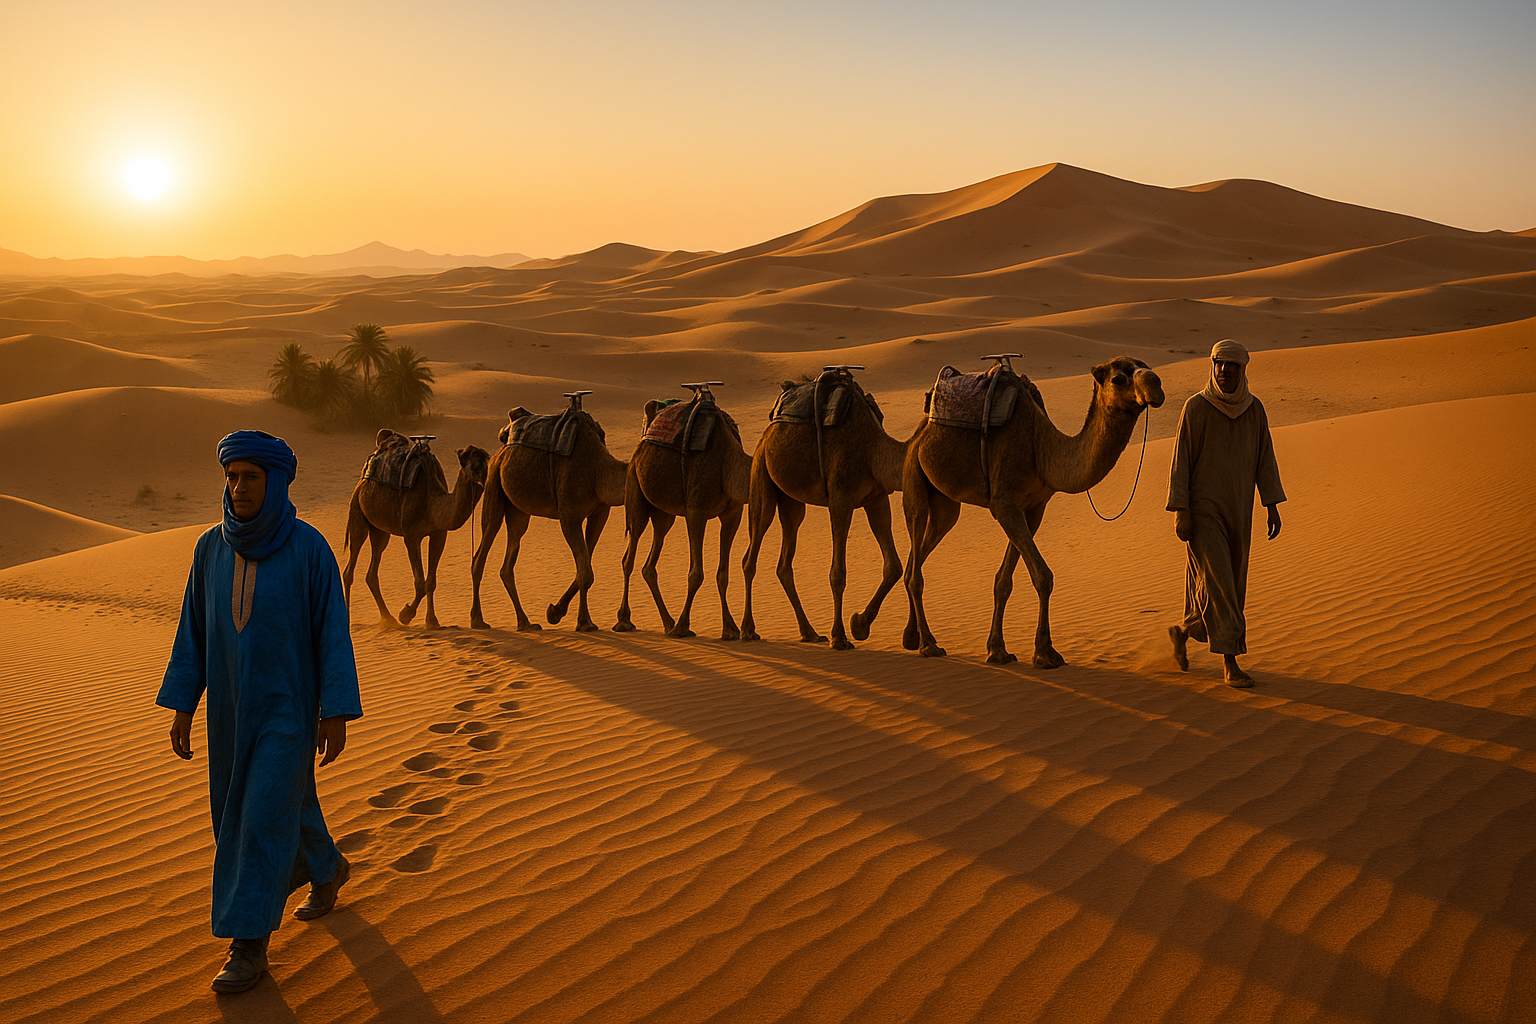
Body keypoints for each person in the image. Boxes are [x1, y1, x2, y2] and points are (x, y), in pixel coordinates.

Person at [158, 429, 363, 993]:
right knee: (258, 807)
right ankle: (327, 867)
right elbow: (193, 633)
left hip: (288, 713)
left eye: (251, 477)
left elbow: (332, 635)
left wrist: (334, 710)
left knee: (258, 818)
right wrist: (182, 706)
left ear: (275, 482)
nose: (239, 487)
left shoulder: (310, 549)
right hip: (228, 714)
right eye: (232, 477)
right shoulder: (209, 548)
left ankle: (247, 945)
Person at [1166, 340, 1286, 687]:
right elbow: (1181, 460)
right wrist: (1180, 510)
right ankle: (1230, 662)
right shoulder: (1196, 407)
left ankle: (1185, 631)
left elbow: (1265, 458)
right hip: (1203, 513)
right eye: (1219, 364)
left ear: (1242, 369)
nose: (1224, 371)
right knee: (1221, 585)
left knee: (1227, 582)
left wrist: (1271, 505)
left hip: (1239, 510)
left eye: (1231, 365)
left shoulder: (1254, 410)